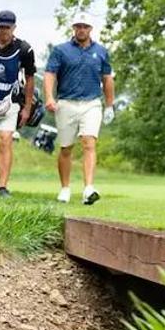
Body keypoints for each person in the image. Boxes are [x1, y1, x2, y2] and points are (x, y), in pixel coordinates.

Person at [44, 14, 114, 204]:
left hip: (91, 103)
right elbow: (50, 74)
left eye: (85, 26)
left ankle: (88, 188)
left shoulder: (101, 51)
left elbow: (107, 79)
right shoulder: (61, 51)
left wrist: (109, 105)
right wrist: (50, 97)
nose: (81, 30)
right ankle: (65, 188)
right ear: (74, 28)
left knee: (89, 143)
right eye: (78, 26)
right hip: (66, 102)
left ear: (91, 29)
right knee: (66, 148)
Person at [0, 10, 36, 197]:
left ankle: (2, 187)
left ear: (14, 27)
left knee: (5, 140)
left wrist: (27, 108)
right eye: (1, 27)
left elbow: (30, 78)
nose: (4, 31)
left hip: (10, 102)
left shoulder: (24, 49)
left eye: (7, 27)